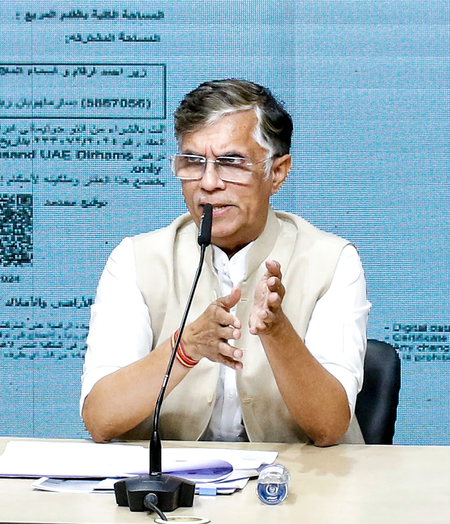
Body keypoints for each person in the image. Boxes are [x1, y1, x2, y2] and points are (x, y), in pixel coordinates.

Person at [81, 79, 371, 447]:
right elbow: (101, 419)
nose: (208, 182)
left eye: (231, 163)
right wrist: (184, 348)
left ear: (277, 172)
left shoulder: (332, 261)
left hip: (299, 478)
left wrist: (278, 332)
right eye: (193, 162)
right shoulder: (135, 261)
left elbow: (329, 426)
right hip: (171, 478)